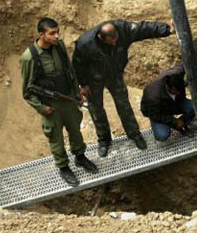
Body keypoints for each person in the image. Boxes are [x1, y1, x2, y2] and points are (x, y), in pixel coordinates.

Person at [72, 18, 173, 157]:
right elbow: (77, 65)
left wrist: (166, 29)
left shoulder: (123, 29)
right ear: (101, 37)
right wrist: (82, 84)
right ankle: (104, 140)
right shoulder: (85, 43)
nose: (114, 43)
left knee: (124, 106)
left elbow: (143, 28)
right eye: (110, 41)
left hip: (114, 75)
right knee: (97, 110)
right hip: (93, 80)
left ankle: (134, 135)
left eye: (116, 40)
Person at [20, 18, 97, 187]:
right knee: (56, 137)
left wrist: (77, 92)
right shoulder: (29, 57)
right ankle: (63, 167)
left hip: (67, 97)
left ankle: (80, 157)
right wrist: (41, 108)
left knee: (75, 131)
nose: (56, 36)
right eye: (52, 33)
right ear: (41, 34)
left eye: (57, 32)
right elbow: (27, 90)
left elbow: (69, 70)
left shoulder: (59, 46)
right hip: (50, 105)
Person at [140, 66, 195, 144]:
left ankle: (182, 122)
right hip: (158, 112)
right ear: (170, 87)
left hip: (174, 103)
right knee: (162, 135)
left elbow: (183, 65)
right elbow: (154, 115)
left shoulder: (176, 75)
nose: (179, 93)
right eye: (176, 91)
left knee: (194, 107)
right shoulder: (153, 96)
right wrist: (174, 121)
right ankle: (176, 125)